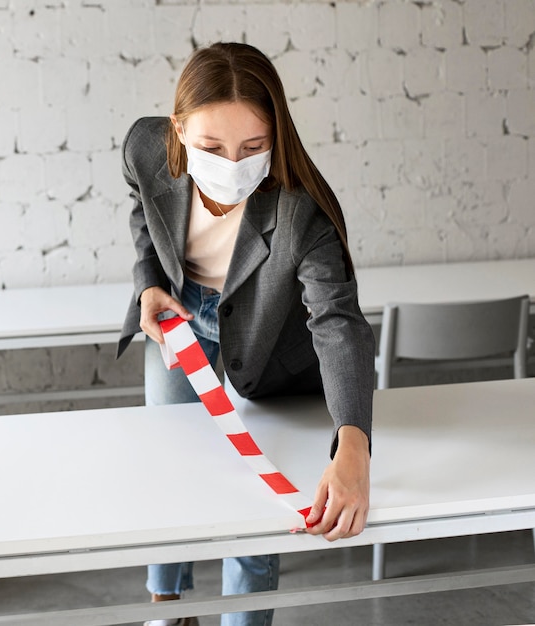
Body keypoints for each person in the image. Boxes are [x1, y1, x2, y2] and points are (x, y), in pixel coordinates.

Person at [117, 42, 375, 626]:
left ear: (276, 136)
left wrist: (353, 444)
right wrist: (148, 281)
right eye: (210, 148)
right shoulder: (144, 147)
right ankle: (169, 603)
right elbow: (143, 208)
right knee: (174, 462)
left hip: (264, 339)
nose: (232, 165)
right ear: (179, 131)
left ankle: (246, 618)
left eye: (254, 148)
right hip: (180, 322)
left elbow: (338, 321)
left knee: (257, 486)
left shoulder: (302, 210)